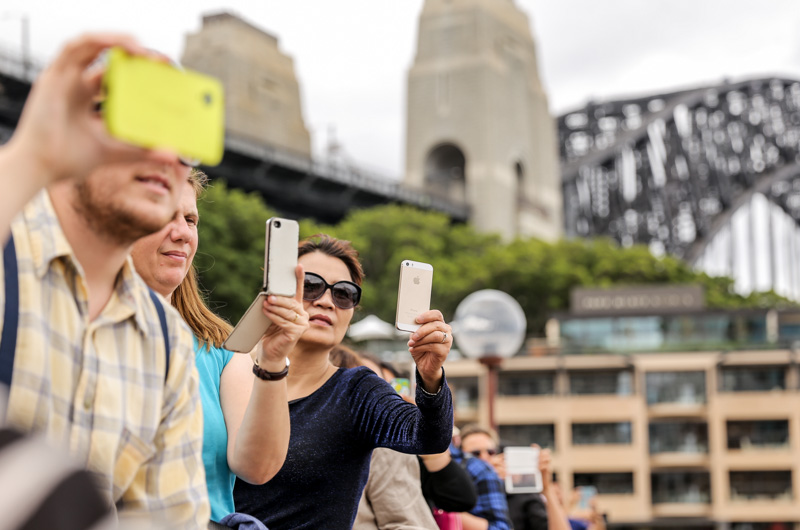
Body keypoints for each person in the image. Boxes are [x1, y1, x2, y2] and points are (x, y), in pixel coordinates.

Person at [0, 34, 209, 526]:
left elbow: (170, 520)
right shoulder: (8, 252)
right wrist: (32, 155)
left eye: (185, 139)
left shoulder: (167, 341)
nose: (166, 155)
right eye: (141, 124)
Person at [234, 235, 455, 529]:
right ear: (276, 290)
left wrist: (431, 377)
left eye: (344, 293)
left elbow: (428, 437)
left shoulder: (356, 391)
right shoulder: (225, 369)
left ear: (351, 312)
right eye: (310, 286)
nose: (326, 302)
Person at [130, 170, 297, 523]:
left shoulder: (221, 348)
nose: (182, 233)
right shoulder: (78, 324)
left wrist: (272, 359)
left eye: (190, 219)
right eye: (164, 216)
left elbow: (258, 467)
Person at [460, 424, 571, 530]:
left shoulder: (520, 494)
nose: (484, 458)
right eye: (475, 454)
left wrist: (547, 488)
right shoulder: (457, 493)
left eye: (490, 452)